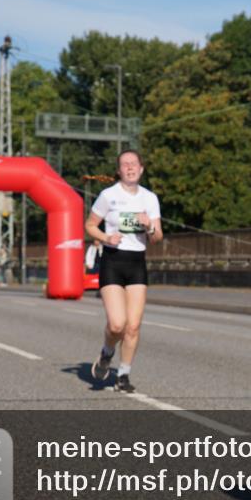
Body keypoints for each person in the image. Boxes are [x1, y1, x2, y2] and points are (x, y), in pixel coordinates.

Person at [86, 150, 162, 393]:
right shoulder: (108, 196)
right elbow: (89, 225)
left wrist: (149, 226)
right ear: (119, 170)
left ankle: (124, 375)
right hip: (113, 261)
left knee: (133, 326)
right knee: (117, 324)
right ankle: (107, 352)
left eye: (133, 164)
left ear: (141, 169)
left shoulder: (150, 199)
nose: (129, 168)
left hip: (137, 262)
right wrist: (107, 237)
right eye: (124, 164)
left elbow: (157, 238)